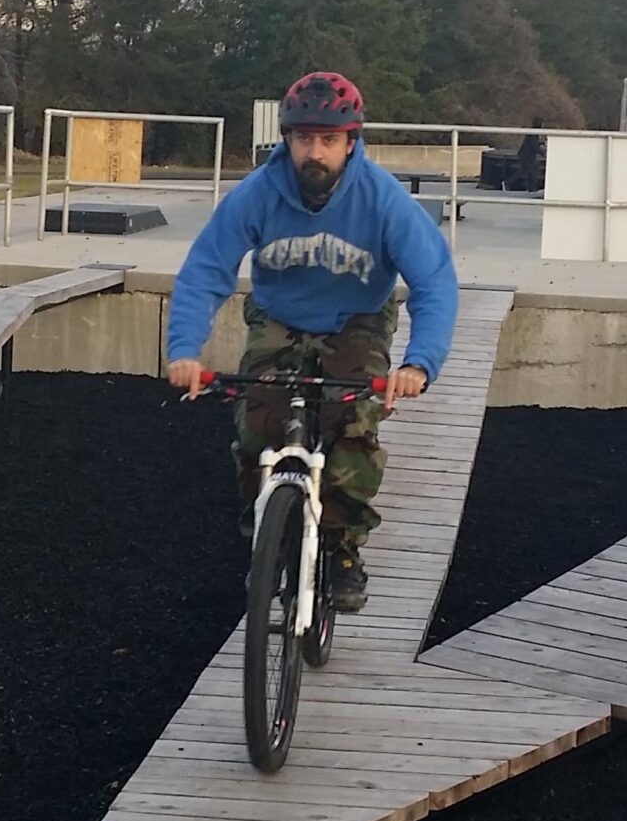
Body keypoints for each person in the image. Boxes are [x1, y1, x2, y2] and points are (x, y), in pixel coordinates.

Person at [164, 71, 460, 613]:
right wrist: (184, 350)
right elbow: (206, 269)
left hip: (358, 319)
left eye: (328, 140)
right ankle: (266, 527)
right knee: (258, 424)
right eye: (303, 139)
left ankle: (344, 548)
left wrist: (419, 364)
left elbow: (434, 279)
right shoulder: (256, 195)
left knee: (350, 426)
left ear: (352, 141)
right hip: (279, 317)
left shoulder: (383, 200)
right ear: (287, 140)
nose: (314, 153)